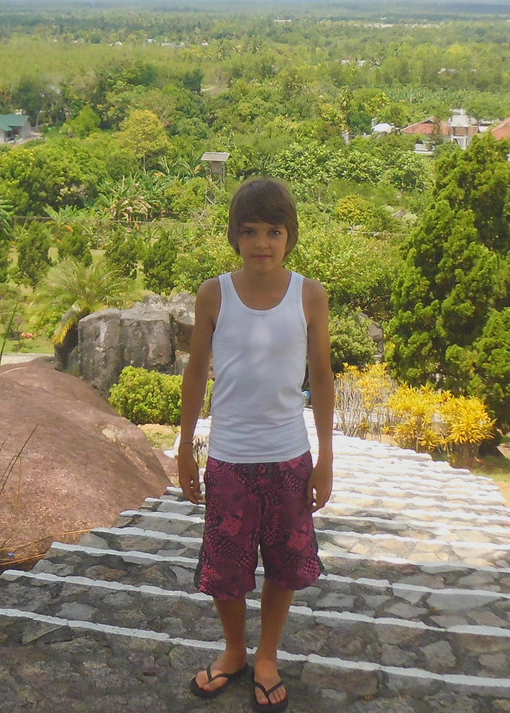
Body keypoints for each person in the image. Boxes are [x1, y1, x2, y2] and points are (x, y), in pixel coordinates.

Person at [178, 177, 334, 712]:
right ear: (234, 237)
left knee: (284, 566)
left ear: (289, 236)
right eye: (249, 231)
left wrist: (327, 459)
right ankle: (234, 652)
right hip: (229, 459)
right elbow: (197, 372)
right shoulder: (213, 293)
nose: (261, 242)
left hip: (290, 457)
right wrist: (183, 448)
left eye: (273, 230)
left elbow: (323, 378)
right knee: (226, 568)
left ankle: (267, 655)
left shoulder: (309, 294)